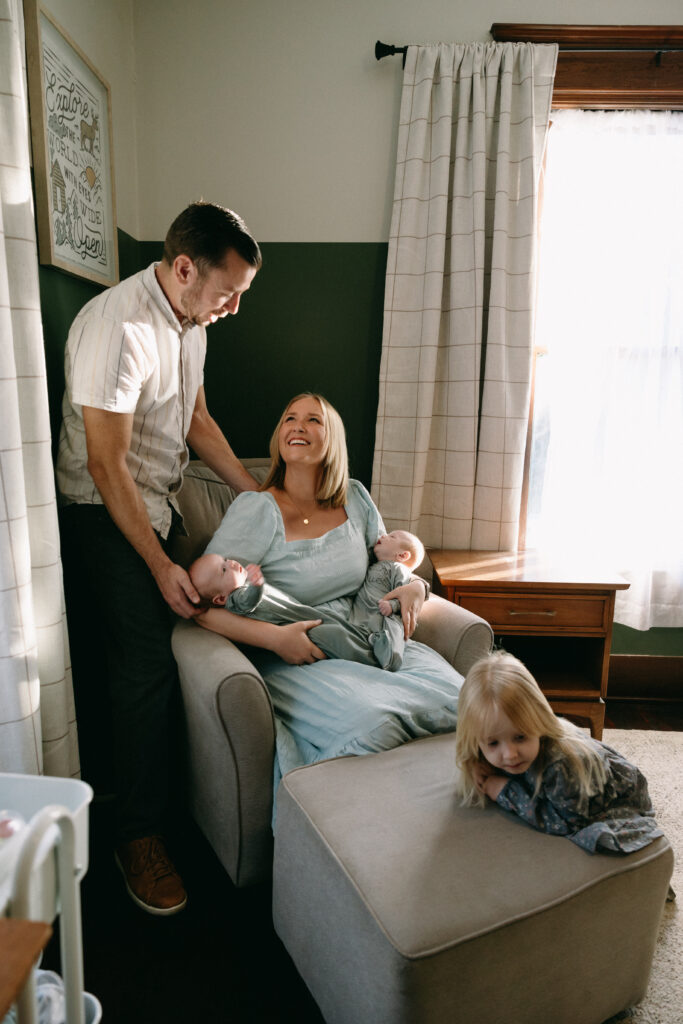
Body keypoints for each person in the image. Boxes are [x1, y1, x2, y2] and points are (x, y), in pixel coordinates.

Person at [56, 201, 262, 915]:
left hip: (158, 501)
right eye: (227, 292)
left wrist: (256, 496)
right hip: (99, 513)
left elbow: (197, 419)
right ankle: (135, 836)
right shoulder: (119, 326)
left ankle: (181, 804)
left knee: (207, 622)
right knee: (142, 665)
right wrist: (157, 565)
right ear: (183, 268)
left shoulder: (190, 323)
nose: (232, 308)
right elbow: (106, 466)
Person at [196, 392, 463, 793]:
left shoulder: (355, 497)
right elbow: (200, 604)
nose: (298, 425)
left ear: (333, 438)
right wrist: (276, 639)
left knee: (472, 701)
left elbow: (387, 566)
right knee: (376, 720)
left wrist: (414, 589)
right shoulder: (257, 509)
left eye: (313, 420)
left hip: (371, 633)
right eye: (289, 418)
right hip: (300, 653)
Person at [454, 651, 664, 854]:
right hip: (573, 788)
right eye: (492, 743)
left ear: (538, 720)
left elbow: (565, 823)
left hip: (619, 802)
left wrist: (505, 791)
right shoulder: (492, 746)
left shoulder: (561, 766)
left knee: (593, 837)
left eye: (520, 737)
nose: (509, 754)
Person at [188, 527, 425, 671]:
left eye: (224, 560)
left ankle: (374, 645)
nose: (229, 562)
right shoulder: (236, 599)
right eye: (222, 569)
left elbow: (397, 570)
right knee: (334, 635)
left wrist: (418, 586)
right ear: (219, 599)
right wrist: (257, 585)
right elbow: (247, 602)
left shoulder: (360, 504)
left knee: (339, 628)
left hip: (309, 613)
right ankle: (371, 655)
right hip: (293, 626)